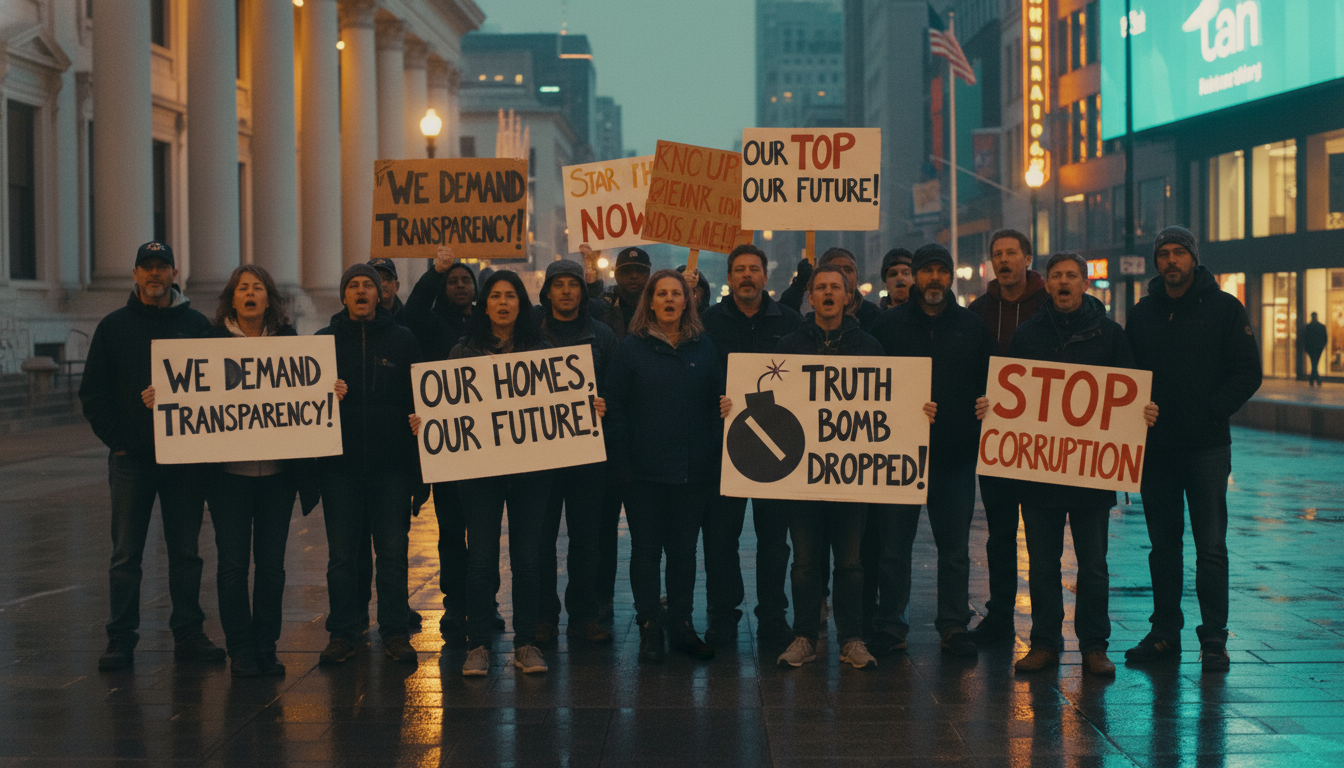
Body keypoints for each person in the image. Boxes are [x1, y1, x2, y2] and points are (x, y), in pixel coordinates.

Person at [976, 252, 1157, 677]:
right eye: (1056, 275)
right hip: (1040, 473)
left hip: (1092, 474)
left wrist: (1142, 412)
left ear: (1084, 283)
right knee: (1042, 565)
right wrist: (992, 407)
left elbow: (1128, 391)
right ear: (1047, 282)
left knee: (1093, 567)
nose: (1063, 282)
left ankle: (1094, 646)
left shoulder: (1110, 335)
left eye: (1071, 276)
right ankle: (1044, 643)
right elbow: (1011, 392)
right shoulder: (1028, 334)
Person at [1124, 226, 1262, 673]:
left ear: (1193, 258)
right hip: (1157, 449)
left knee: (1211, 547)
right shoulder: (1142, 313)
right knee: (1163, 547)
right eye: (1163, 253)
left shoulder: (1224, 308)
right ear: (1156, 262)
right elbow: (1126, 376)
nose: (1171, 260)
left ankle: (1214, 638)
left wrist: (1212, 411)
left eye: (1179, 252)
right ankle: (1165, 632)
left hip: (1206, 447)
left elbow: (1248, 371)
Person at [80, 241, 222, 672]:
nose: (155, 273)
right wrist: (119, 440)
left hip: (184, 460)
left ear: (175, 274)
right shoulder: (113, 326)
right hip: (132, 460)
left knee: (186, 553)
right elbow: (94, 392)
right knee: (126, 555)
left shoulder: (197, 326)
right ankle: (120, 638)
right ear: (136, 274)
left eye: (162, 267)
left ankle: (189, 632)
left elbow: (219, 387)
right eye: (147, 267)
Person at [868, 244, 995, 657]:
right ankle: (892, 624)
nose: (935, 278)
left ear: (951, 277)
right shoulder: (889, 325)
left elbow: (990, 383)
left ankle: (954, 625)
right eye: (927, 271)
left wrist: (986, 404)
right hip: (899, 455)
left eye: (942, 270)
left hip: (954, 456)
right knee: (893, 549)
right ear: (915, 276)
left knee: (954, 551)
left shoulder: (972, 326)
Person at [606, 269, 731, 663]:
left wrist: (719, 428)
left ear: (687, 301)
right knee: (645, 552)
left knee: (683, 553)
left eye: (676, 294)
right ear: (650, 302)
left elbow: (716, 401)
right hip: (642, 473)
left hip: (693, 471)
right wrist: (622, 461)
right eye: (661, 294)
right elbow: (616, 407)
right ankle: (649, 625)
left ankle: (681, 625)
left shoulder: (703, 347)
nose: (669, 300)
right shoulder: (631, 349)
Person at [772, 264, 888, 670]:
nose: (827, 293)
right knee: (805, 563)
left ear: (847, 296)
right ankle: (805, 637)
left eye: (835, 287)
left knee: (851, 564)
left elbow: (888, 402)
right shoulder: (789, 346)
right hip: (802, 476)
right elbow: (771, 399)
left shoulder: (870, 347)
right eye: (820, 287)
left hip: (850, 477)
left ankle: (852, 639)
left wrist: (917, 410)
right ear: (810, 296)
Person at [202, 265, 314, 677]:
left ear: (269, 299)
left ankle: (266, 645)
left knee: (272, 567)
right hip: (228, 477)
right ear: (232, 300)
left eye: (258, 287)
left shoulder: (288, 343)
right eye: (242, 288)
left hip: (278, 478)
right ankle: (241, 649)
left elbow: (307, 393)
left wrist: (329, 391)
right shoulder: (210, 344)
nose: (250, 293)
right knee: (232, 566)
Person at [443, 270, 556, 677]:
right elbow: (447, 407)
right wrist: (429, 420)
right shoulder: (462, 352)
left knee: (527, 560)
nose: (503, 302)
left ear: (521, 305)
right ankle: (478, 645)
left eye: (510, 296)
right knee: (480, 560)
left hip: (531, 472)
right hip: (480, 472)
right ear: (484, 305)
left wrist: (587, 407)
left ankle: (526, 643)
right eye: (495, 296)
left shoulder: (542, 352)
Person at [316, 264, 422, 668]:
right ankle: (343, 632)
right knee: (342, 558)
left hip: (390, 468)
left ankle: (394, 631)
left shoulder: (403, 340)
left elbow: (418, 400)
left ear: (381, 294)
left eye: (368, 286)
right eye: (353, 286)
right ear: (344, 296)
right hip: (339, 468)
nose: (361, 291)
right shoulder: (322, 343)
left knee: (393, 554)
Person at [700, 244, 803, 647]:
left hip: (777, 450)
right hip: (723, 449)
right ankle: (723, 615)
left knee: (775, 541)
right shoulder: (707, 322)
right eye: (740, 269)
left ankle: (773, 617)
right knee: (720, 539)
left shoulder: (790, 321)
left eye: (754, 269)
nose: (747, 275)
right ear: (729, 278)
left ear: (765, 276)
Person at [405, 248, 497, 634]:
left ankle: (485, 604)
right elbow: (411, 314)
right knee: (451, 533)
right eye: (452, 281)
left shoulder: (487, 324)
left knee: (485, 536)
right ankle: (455, 605)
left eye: (466, 280)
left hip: (487, 446)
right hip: (447, 445)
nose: (460, 285)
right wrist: (434, 272)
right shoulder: (430, 324)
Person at [965, 228, 1048, 645]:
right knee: (999, 535)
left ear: (1027, 258)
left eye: (1011, 252)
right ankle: (999, 616)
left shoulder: (1050, 305)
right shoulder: (979, 311)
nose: (1004, 260)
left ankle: (1046, 626)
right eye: (997, 253)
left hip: (1042, 442)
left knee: (1041, 536)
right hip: (995, 441)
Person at [536, 258, 618, 645]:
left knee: (587, 541)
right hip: (542, 456)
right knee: (541, 541)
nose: (566, 291)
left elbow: (617, 389)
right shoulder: (531, 333)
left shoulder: (602, 335)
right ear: (547, 292)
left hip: (588, 455)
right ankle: (544, 617)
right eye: (559, 284)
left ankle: (584, 616)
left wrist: (606, 406)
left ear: (583, 293)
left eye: (573, 284)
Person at [585, 245, 652, 620]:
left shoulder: (660, 310)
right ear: (617, 275)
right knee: (601, 531)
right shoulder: (600, 311)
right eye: (627, 271)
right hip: (606, 438)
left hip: (644, 438)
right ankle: (601, 600)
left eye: (639, 271)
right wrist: (590, 281)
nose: (633, 277)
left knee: (647, 535)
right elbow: (580, 306)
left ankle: (648, 604)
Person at [780, 247, 883, 332]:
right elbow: (783, 315)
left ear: (856, 277)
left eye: (848, 270)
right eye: (835, 269)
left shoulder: (872, 315)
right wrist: (798, 286)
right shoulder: (805, 314)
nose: (842, 274)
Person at [368, 258, 405, 325]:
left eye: (387, 278)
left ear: (396, 286)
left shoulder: (409, 319)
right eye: (376, 279)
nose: (382, 284)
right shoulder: (355, 320)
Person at [1304, 312, 1328, 386]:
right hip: (1318, 348)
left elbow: (1305, 338)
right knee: (1315, 363)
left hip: (1312, 348)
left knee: (1314, 363)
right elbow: (1325, 338)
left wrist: (1306, 348)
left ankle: (1313, 379)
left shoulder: (1308, 327)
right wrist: (1322, 346)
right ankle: (1316, 379)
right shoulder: (1321, 326)